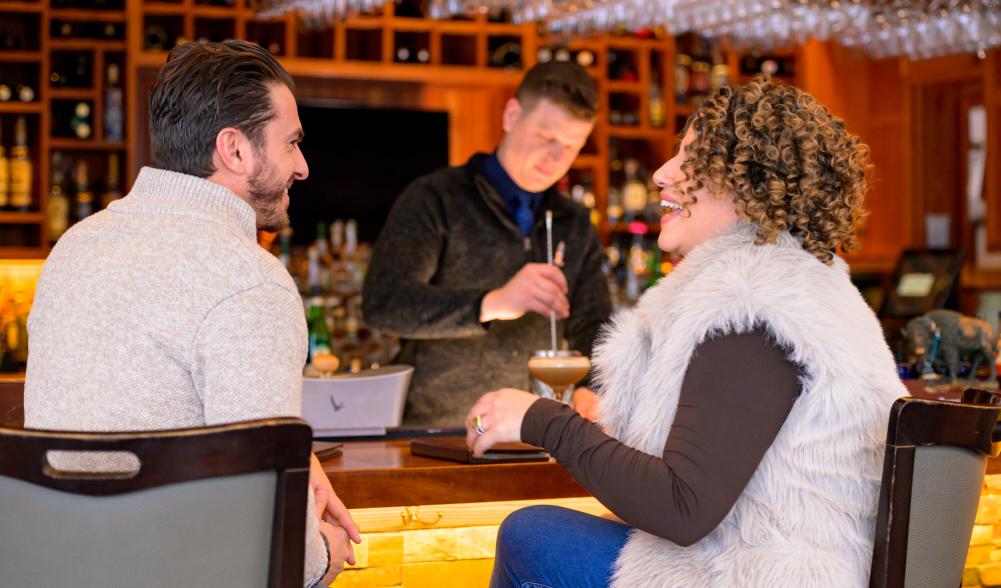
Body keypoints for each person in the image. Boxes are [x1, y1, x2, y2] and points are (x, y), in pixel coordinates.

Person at [465, 75, 906, 588]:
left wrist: (542, 420)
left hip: (761, 575)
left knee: (531, 534)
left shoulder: (754, 302)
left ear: (750, 183)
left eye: (692, 159)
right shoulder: (797, 286)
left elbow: (683, 507)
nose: (662, 173)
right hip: (779, 562)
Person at [24, 40, 358, 587]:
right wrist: (323, 551)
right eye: (292, 143)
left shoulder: (75, 246)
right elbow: (273, 537)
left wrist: (301, 465)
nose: (303, 166)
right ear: (235, 150)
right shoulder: (250, 280)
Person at [363, 61, 612, 427]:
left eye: (571, 146)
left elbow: (596, 328)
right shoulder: (436, 199)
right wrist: (491, 302)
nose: (557, 158)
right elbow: (383, 303)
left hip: (536, 434)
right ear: (512, 115)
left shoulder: (573, 223)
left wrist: (592, 386)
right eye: (546, 137)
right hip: (440, 433)